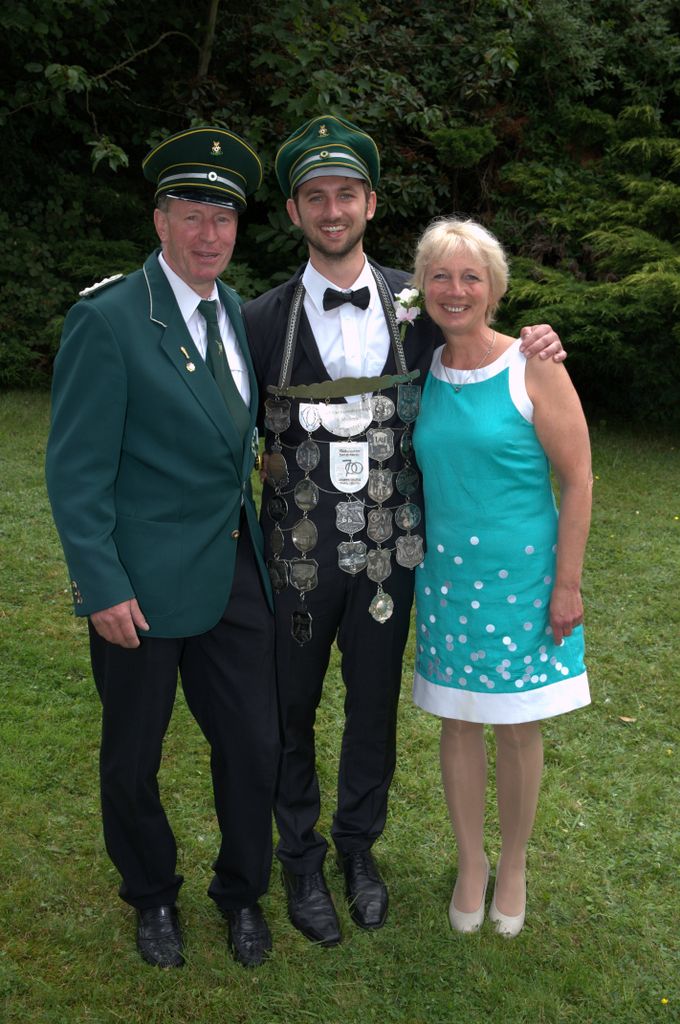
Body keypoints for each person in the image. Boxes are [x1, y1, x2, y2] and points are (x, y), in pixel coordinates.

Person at [243, 114, 566, 946]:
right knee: (289, 708)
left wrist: (539, 339)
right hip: (296, 560)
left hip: (392, 557)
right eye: (316, 197)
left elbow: (485, 341)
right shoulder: (261, 320)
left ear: (371, 204)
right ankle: (300, 857)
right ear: (294, 211)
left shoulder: (420, 306)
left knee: (373, 709)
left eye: (347, 194)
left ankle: (359, 849)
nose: (333, 210)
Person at [45, 127, 280, 969]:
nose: (210, 234)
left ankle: (242, 893)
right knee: (133, 756)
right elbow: (75, 471)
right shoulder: (109, 320)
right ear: (160, 220)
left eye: (224, 217)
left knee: (254, 744)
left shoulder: (234, 311)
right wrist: (100, 584)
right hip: (139, 585)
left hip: (233, 569)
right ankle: (150, 894)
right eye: (192, 214)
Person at [411, 217, 592, 938]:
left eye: (471, 277)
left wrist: (567, 584)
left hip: (524, 582)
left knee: (517, 725)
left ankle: (512, 864)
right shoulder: (420, 363)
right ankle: (470, 862)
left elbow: (578, 479)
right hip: (447, 580)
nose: (455, 290)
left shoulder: (532, 364)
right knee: (458, 720)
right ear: (421, 286)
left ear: (495, 289)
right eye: (440, 276)